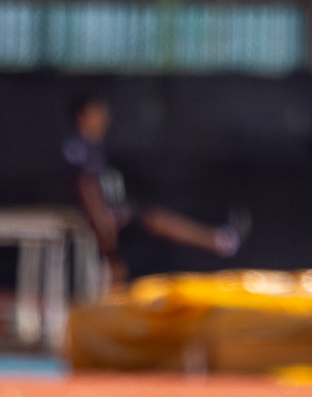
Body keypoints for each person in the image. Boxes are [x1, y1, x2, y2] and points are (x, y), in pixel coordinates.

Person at [63, 94, 248, 289]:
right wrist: (104, 231)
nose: (106, 117)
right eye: (99, 112)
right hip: (95, 229)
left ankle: (220, 240)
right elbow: (87, 189)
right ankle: (221, 240)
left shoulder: (94, 149)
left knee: (154, 221)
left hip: (115, 224)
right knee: (154, 221)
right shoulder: (79, 149)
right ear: (83, 116)